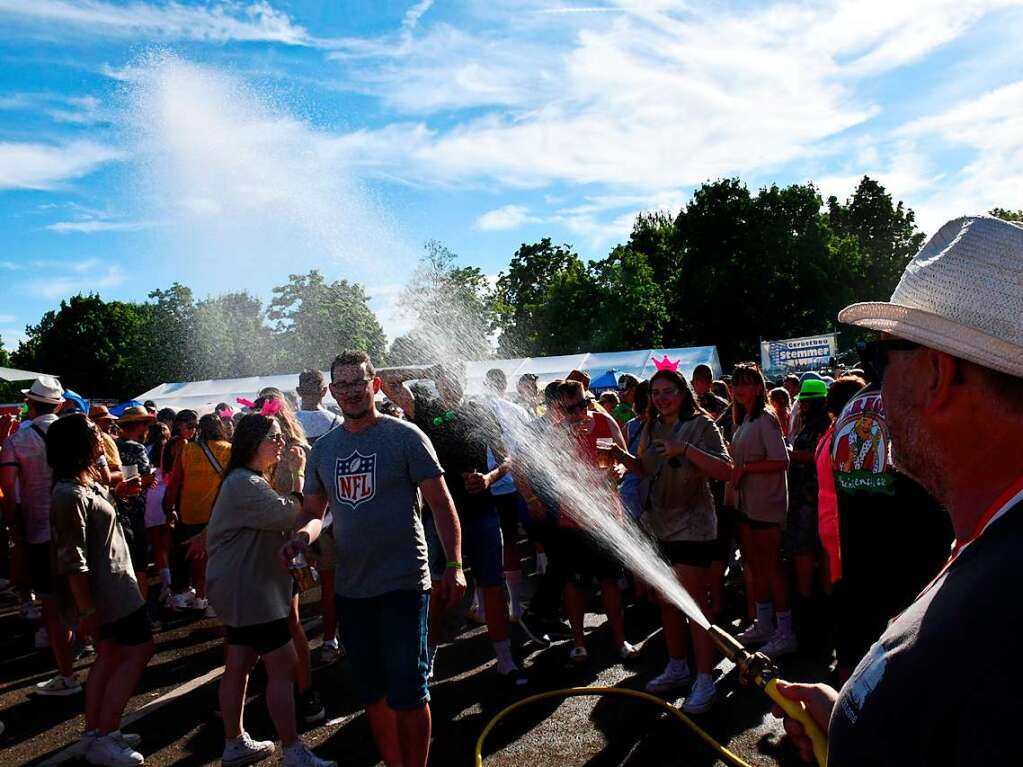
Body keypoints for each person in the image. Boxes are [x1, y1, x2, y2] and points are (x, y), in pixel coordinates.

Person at [774, 215, 1023, 766]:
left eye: (879, 358)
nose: (875, 386)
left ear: (936, 373)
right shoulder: (994, 538)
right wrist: (858, 729)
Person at [284, 350, 466, 767]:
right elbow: (315, 513)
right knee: (373, 693)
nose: (350, 391)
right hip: (352, 590)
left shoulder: (405, 436)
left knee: (409, 690)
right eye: (342, 385)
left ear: (375, 385)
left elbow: (440, 503)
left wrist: (454, 565)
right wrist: (300, 536)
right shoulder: (324, 450)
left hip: (405, 583)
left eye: (358, 382)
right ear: (331, 392)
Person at [381, 362, 527, 687]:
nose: (451, 383)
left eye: (455, 377)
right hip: (438, 515)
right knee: (433, 589)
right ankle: (428, 660)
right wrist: (427, 368)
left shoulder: (478, 411)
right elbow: (386, 380)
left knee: (492, 584)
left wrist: (489, 477)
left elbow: (508, 458)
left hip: (480, 511)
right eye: (443, 377)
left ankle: (505, 659)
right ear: (437, 380)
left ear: (463, 380)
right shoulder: (426, 409)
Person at [204, 413, 334, 767]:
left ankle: (234, 743)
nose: (281, 443)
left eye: (281, 437)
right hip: (251, 593)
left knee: (240, 663)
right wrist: (299, 473)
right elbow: (289, 513)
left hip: (239, 590)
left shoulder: (244, 480)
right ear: (251, 443)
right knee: (283, 667)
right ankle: (293, 750)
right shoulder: (245, 483)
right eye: (273, 438)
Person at [613, 370, 733, 712]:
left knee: (694, 604)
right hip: (660, 524)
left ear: (683, 393)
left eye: (669, 391)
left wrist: (686, 449)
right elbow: (646, 468)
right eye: (657, 392)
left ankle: (706, 679)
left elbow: (727, 470)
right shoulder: (650, 426)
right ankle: (678, 666)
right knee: (666, 600)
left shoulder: (702, 425)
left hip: (693, 525)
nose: (662, 398)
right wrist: (621, 460)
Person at [48, 413, 154, 767]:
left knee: (109, 658)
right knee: (138, 650)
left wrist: (120, 492)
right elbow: (71, 559)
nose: (103, 433)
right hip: (109, 594)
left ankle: (96, 733)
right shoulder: (68, 492)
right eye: (94, 432)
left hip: (114, 588)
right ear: (78, 445)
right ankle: (106, 733)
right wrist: (87, 611)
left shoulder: (84, 484)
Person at [542, 379, 635, 666]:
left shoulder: (604, 423)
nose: (580, 412)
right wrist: (569, 440)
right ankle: (579, 643)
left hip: (607, 516)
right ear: (561, 409)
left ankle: (620, 642)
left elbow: (611, 461)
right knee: (575, 583)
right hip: (574, 520)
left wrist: (616, 471)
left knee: (610, 580)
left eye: (583, 404)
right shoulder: (555, 434)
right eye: (572, 409)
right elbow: (554, 474)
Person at [0, 376, 80, 696]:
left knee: (51, 606)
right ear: (59, 405)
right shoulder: (77, 434)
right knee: (82, 597)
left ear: (30, 405)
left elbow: (7, 490)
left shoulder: (17, 440)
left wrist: (14, 527)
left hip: (39, 531)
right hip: (78, 526)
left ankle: (67, 676)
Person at [253, 389, 324, 724]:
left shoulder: (296, 450)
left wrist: (301, 543)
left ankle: (306, 690)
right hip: (259, 545)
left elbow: (307, 504)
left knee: (291, 620)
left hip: (288, 543)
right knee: (264, 621)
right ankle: (274, 683)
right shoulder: (256, 453)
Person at [725, 362, 794, 657]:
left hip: (766, 504)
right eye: (735, 383)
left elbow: (781, 461)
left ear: (757, 386)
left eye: (745, 383)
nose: (739, 388)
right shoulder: (745, 418)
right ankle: (764, 625)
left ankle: (785, 632)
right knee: (754, 566)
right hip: (747, 504)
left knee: (770, 567)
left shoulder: (765, 418)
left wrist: (746, 469)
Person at [164, 414, 230, 613]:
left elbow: (175, 482)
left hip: (190, 512)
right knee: (218, 558)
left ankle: (201, 596)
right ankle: (212, 600)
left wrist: (168, 508)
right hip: (217, 512)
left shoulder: (188, 449)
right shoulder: (229, 450)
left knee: (197, 558)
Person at [784, 379, 831, 648]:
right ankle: (820, 607)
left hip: (808, 500)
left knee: (805, 552)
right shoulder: (823, 424)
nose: (800, 405)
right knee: (820, 554)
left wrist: (792, 455)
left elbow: (816, 456)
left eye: (804, 401)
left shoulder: (819, 427)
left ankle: (808, 611)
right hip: (815, 498)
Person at [114, 407, 158, 600]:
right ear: (139, 425)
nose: (147, 428)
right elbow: (145, 478)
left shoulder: (113, 445)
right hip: (135, 512)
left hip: (116, 510)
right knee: (140, 565)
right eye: (146, 424)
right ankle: (143, 613)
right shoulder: (136, 448)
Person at [144, 422, 173, 606]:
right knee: (170, 541)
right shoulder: (171, 450)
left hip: (151, 497)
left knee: (157, 544)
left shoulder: (145, 449)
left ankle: (166, 584)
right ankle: (174, 582)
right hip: (168, 495)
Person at [294, 370, 343, 445]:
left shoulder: (289, 422)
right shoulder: (337, 422)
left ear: (298, 391)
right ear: (324, 391)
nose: (310, 395)